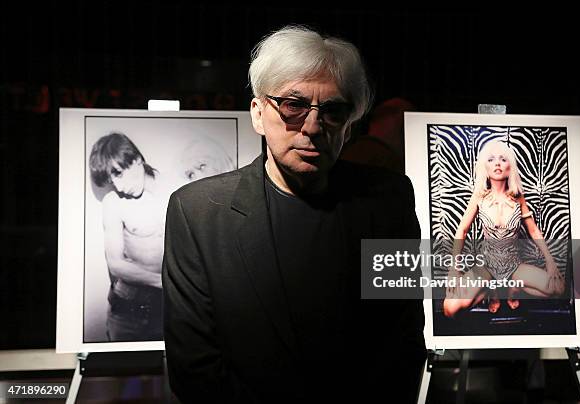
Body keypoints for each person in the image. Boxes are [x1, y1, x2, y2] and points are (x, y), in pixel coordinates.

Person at [162, 25, 425, 403]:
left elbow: (403, 343)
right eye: (293, 105)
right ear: (257, 113)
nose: (313, 126)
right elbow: (194, 368)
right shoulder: (197, 212)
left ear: (349, 124)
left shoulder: (389, 200)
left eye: (333, 110)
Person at [443, 140, 566, 318]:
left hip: (514, 266)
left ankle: (513, 289)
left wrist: (550, 261)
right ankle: (489, 291)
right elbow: (461, 230)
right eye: (491, 159)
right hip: (486, 267)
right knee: (450, 309)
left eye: (503, 159)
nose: (498, 163)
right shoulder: (479, 197)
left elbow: (533, 231)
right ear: (485, 166)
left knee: (558, 288)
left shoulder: (518, 197)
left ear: (510, 166)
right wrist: (454, 268)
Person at [89, 132, 168, 341]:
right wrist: (167, 283)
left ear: (136, 159)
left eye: (120, 174)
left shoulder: (171, 191)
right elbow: (115, 264)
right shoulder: (113, 202)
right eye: (112, 179)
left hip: (167, 311)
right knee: (123, 371)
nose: (119, 186)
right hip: (125, 312)